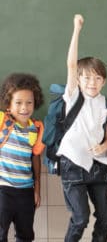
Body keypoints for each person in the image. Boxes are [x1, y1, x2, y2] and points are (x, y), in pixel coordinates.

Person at [56, 14, 107, 242]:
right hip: (72, 164)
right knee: (81, 218)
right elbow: (71, 64)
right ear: (78, 80)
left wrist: (104, 147)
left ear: (104, 81)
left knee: (106, 218)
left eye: (97, 78)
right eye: (87, 78)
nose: (92, 82)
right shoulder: (73, 96)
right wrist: (76, 29)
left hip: (97, 166)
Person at [0, 73, 45, 242]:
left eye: (29, 102)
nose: (24, 107)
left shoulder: (36, 129)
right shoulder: (3, 121)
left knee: (25, 235)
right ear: (8, 106)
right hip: (3, 189)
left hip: (25, 192)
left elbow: (35, 157)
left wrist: (37, 189)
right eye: (18, 103)